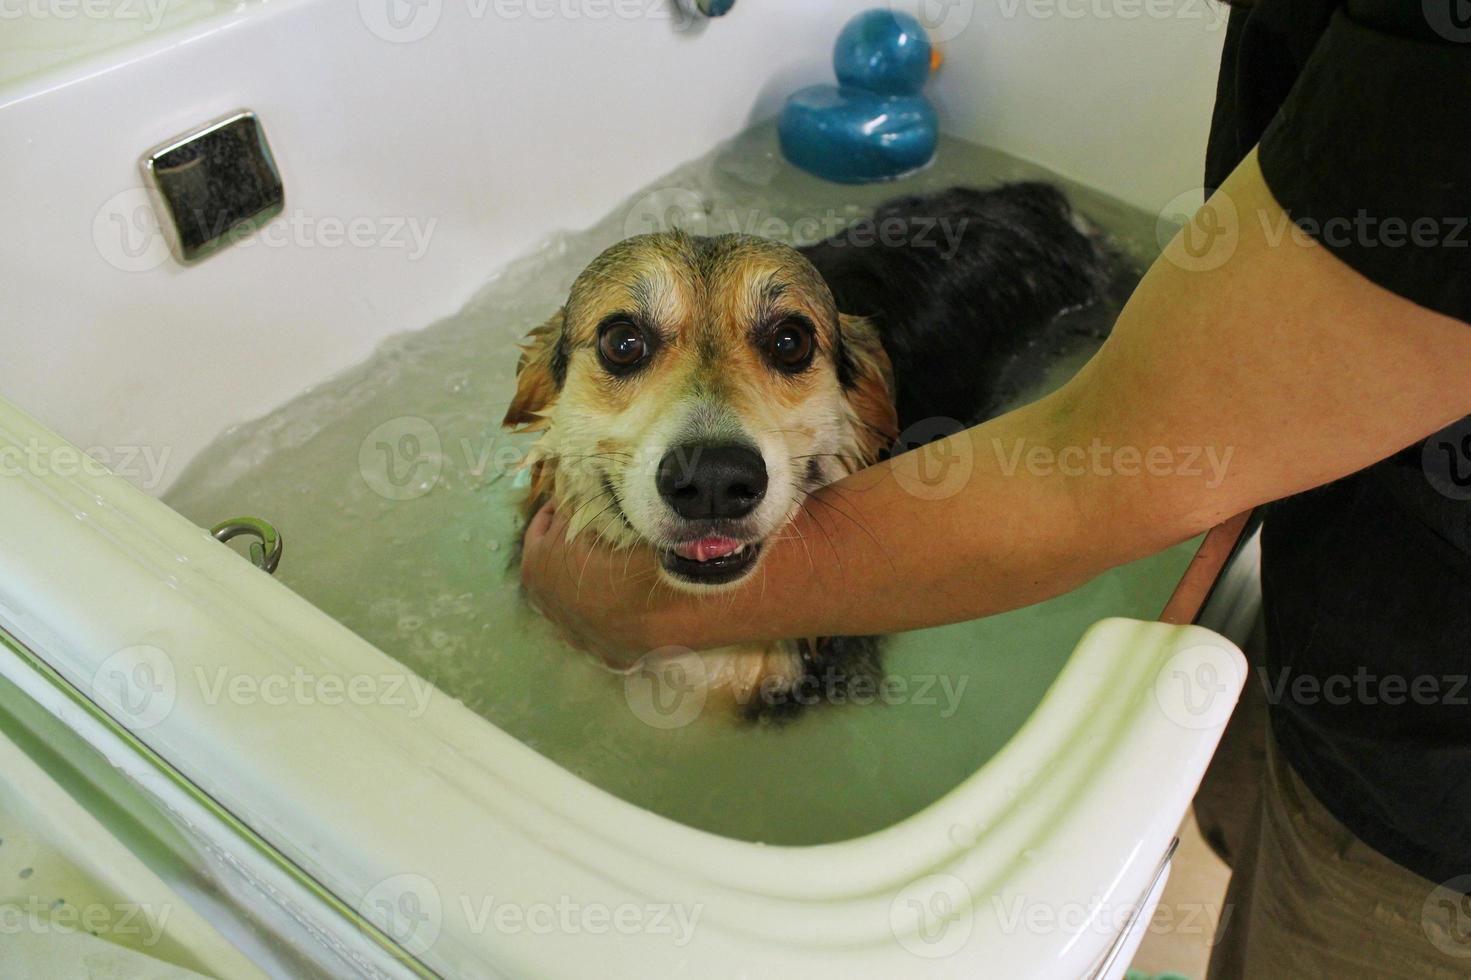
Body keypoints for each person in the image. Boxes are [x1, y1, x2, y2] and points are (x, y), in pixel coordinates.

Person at [522, 2, 1471, 976]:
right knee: (1247, 814)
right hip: (1345, 586)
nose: (708, 450)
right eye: (628, 347)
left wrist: (639, 608)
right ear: (539, 395)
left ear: (865, 403)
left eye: (788, 347)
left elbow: (1093, 459)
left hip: (1437, 781)